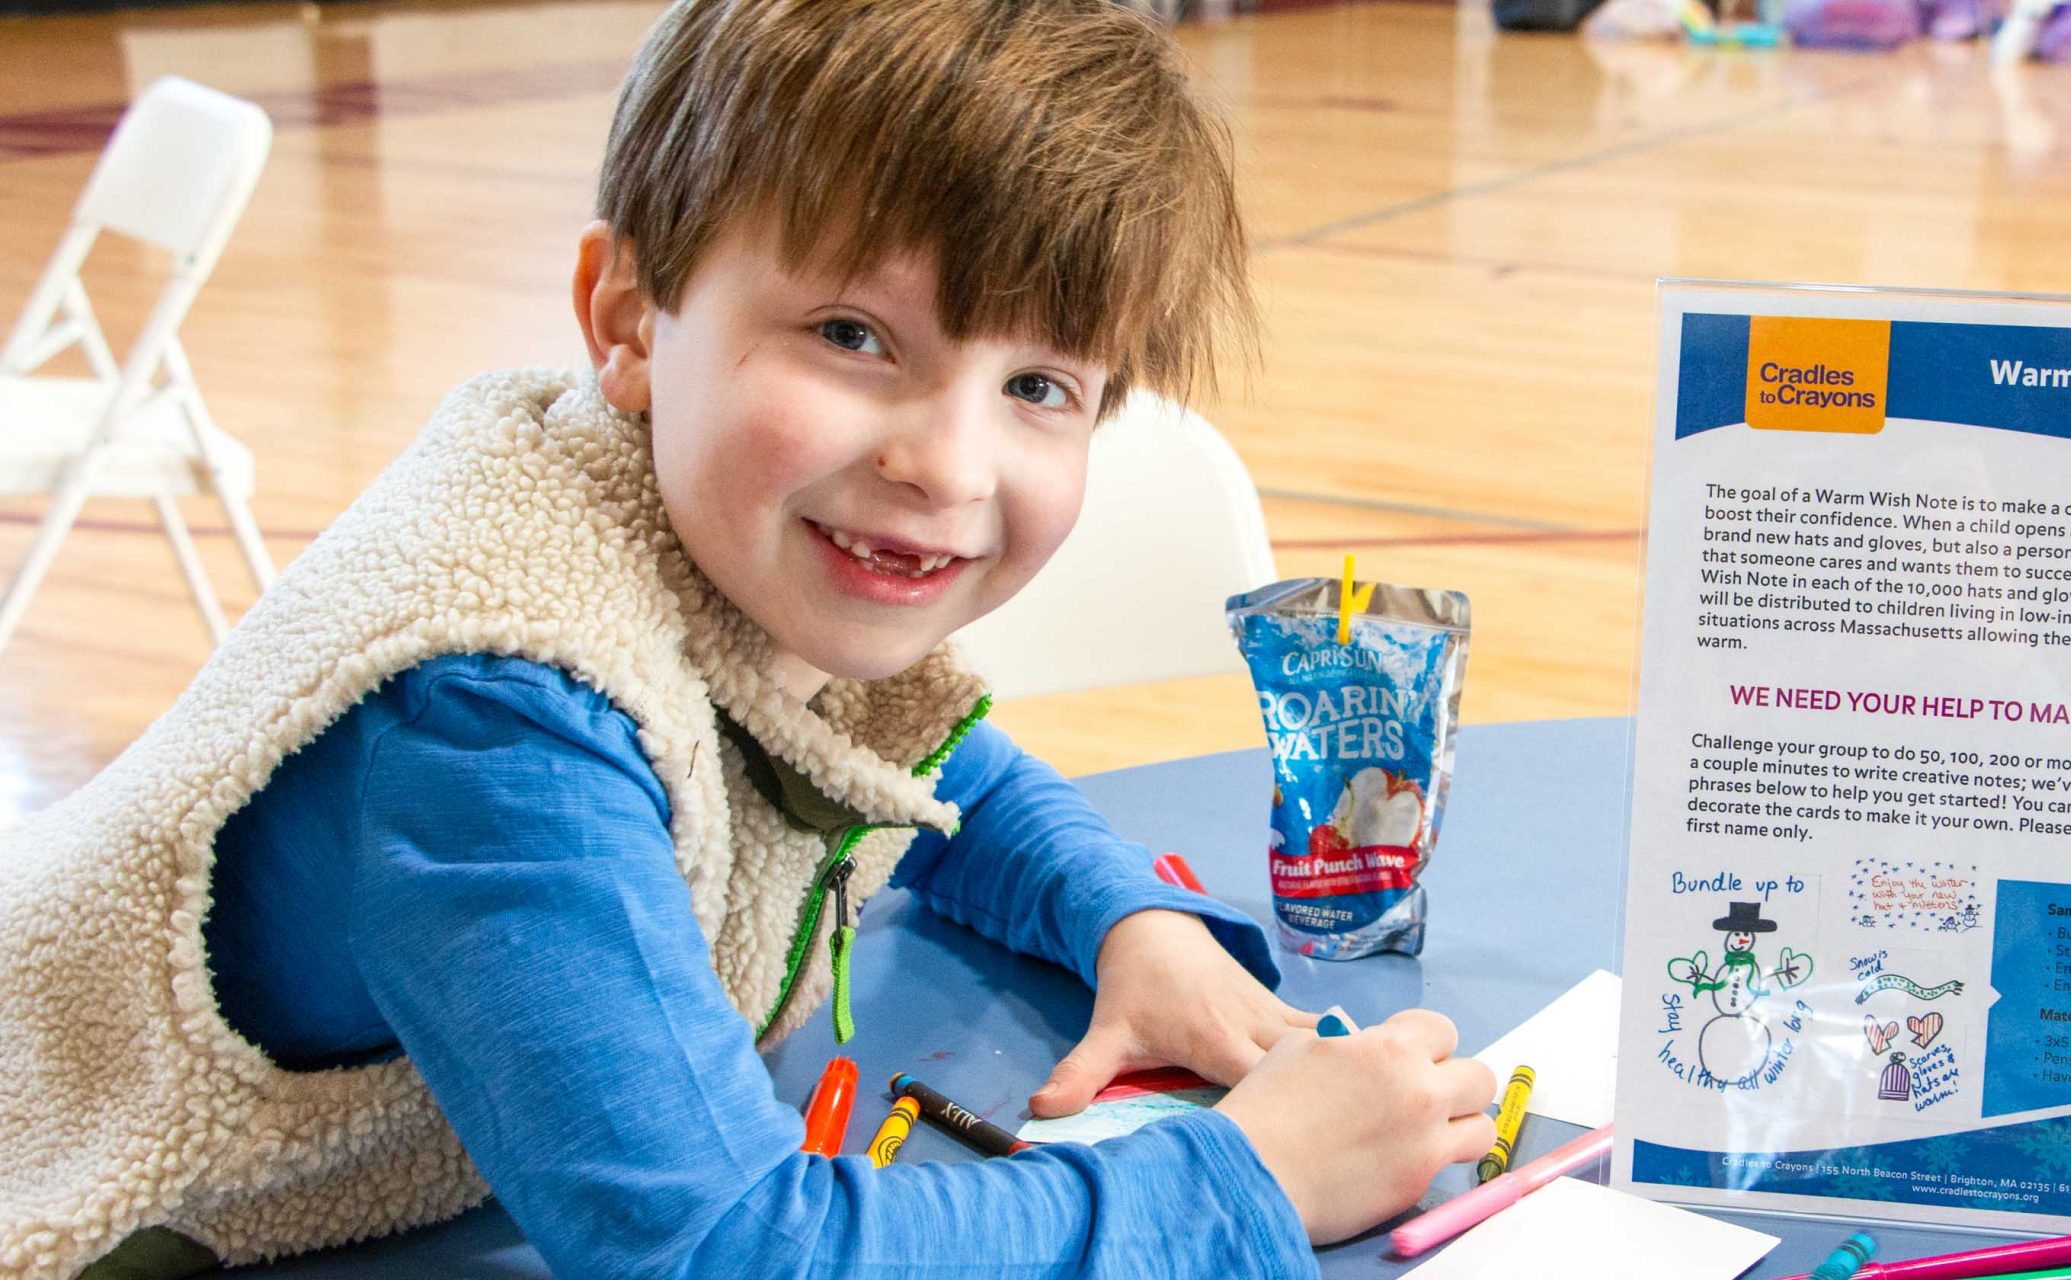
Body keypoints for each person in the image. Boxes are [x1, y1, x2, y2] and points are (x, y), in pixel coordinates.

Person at [0, 2, 1498, 1276]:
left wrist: (1128, 920)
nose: (950, 467)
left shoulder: (690, 529)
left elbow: (920, 763)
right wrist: (1244, 1185)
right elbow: (728, 1251)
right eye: (855, 336)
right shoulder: (496, 708)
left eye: (1040, 385)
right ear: (630, 321)